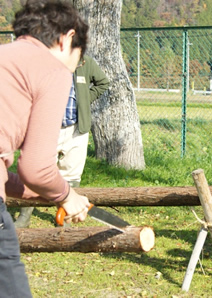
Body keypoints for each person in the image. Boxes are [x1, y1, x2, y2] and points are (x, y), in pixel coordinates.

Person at [0, 1, 91, 296]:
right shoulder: (52, 69)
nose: (74, 67)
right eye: (77, 58)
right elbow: (36, 167)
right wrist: (67, 194)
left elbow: (14, 176)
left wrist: (48, 194)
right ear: (67, 38)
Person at [14, 55, 110, 228]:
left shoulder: (85, 61)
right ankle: (24, 217)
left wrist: (84, 100)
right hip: (46, 128)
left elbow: (103, 83)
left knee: (71, 175)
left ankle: (65, 217)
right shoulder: (43, 61)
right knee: (35, 173)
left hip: (76, 128)